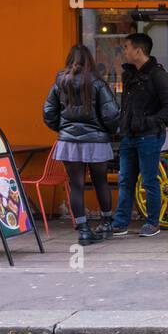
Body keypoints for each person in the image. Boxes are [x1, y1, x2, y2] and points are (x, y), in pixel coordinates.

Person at [43, 44, 121, 246]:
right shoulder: (97, 83)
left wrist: (62, 129)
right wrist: (108, 131)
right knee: (100, 182)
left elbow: (48, 112)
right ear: (90, 61)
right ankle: (106, 223)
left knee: (76, 185)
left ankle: (83, 230)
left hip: (69, 142)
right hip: (96, 141)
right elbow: (111, 114)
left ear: (69, 60)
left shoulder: (60, 83)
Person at [110, 32, 168, 238]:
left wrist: (147, 121)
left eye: (126, 47)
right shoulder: (130, 74)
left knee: (149, 180)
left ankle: (152, 222)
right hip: (129, 135)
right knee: (125, 180)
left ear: (138, 51)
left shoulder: (157, 75)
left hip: (149, 136)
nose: (124, 51)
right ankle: (120, 223)